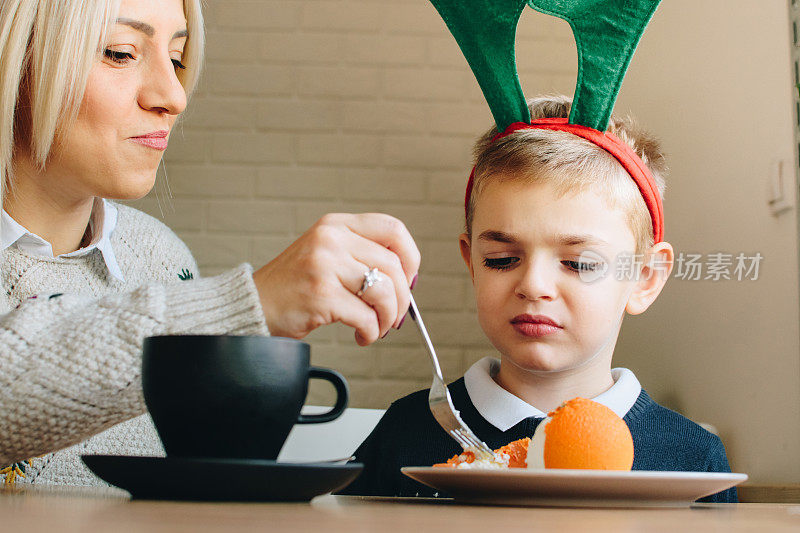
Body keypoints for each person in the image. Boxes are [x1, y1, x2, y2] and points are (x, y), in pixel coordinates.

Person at [0, 0, 419, 485]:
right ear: (18, 56)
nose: (173, 95)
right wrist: (244, 304)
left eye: (177, 58)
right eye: (120, 52)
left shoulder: (161, 257)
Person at [340, 95, 737, 503]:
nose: (534, 285)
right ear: (472, 262)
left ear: (644, 278)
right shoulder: (406, 432)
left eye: (579, 264)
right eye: (502, 259)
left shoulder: (693, 459)